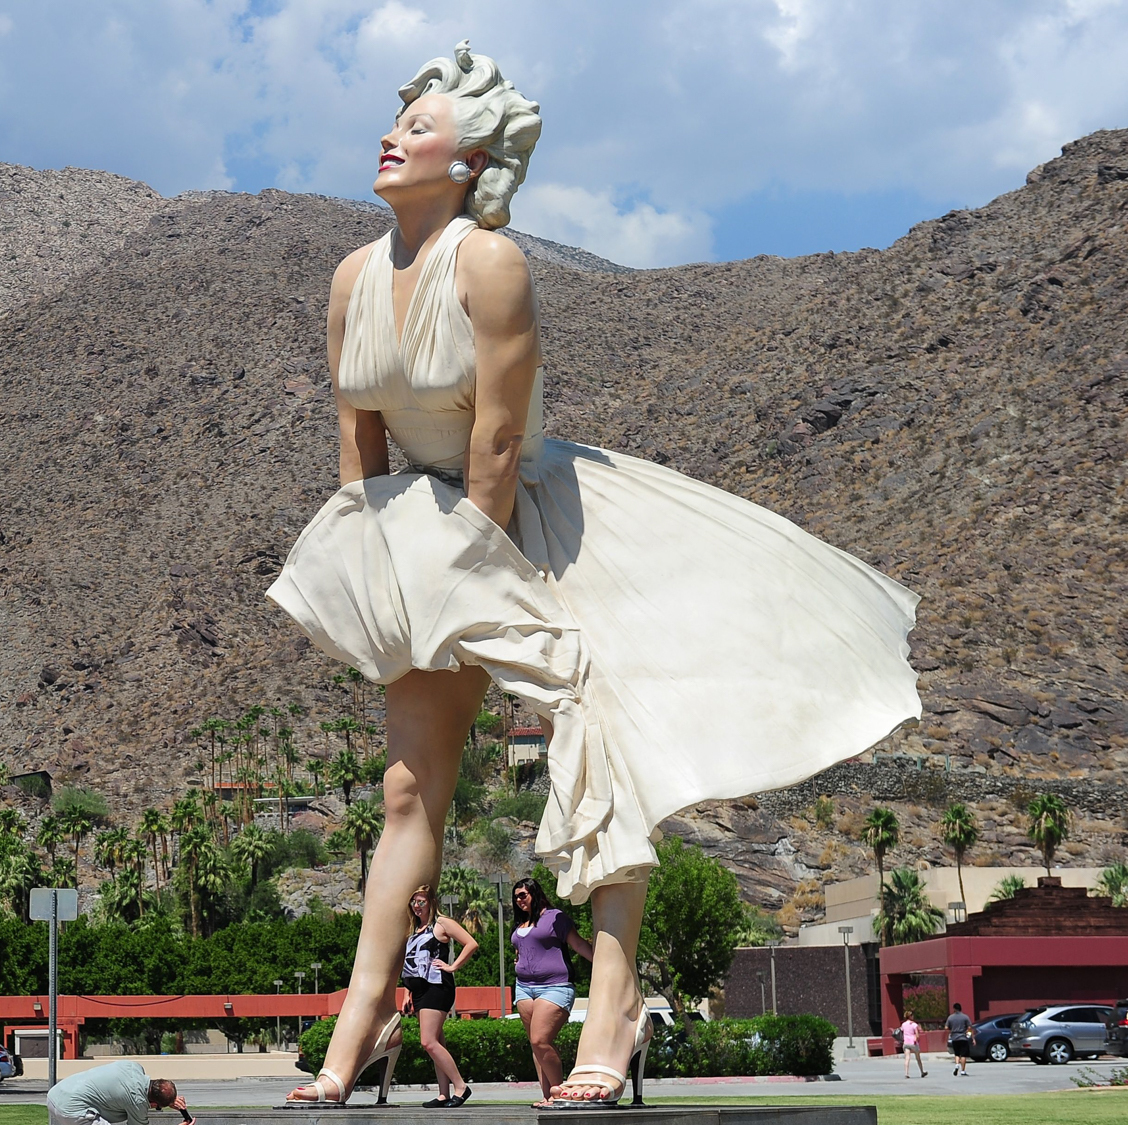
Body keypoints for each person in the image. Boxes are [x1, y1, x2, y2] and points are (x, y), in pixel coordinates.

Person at [268, 39, 920, 1108]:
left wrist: (471, 568)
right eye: (394, 126)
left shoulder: (489, 263)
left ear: (469, 161)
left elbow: (492, 434)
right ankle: (353, 1028)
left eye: (419, 128)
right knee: (402, 789)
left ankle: (609, 1011)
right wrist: (379, 575)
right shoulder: (349, 275)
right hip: (412, 528)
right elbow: (358, 452)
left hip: (522, 518)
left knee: (598, 750)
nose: (390, 138)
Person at [508, 878, 594, 1107]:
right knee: (536, 1045)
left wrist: (605, 963)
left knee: (540, 1039)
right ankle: (547, 1095)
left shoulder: (555, 917)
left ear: (535, 894)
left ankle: (559, 1093)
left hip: (556, 986)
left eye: (523, 895)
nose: (519, 900)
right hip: (524, 987)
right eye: (516, 897)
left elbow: (578, 944)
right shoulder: (521, 922)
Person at [402, 884, 477, 1107]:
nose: (417, 906)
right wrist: (407, 992)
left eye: (421, 901)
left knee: (428, 1041)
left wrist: (453, 966)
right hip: (418, 990)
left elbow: (471, 943)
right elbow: (412, 964)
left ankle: (461, 1086)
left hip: (437, 987)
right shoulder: (415, 929)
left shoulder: (442, 923)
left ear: (432, 902)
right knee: (437, 1041)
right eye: (414, 901)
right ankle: (443, 1093)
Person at [45, 1060, 183, 1125]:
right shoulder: (138, 1102)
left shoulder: (134, 1067)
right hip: (71, 1110)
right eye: (157, 1107)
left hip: (55, 1094)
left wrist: (167, 1101)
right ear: (153, 1103)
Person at [946, 1004, 973, 1076]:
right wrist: (970, 1036)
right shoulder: (965, 1017)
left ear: (954, 1009)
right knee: (963, 1055)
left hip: (954, 1038)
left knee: (957, 1054)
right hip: (963, 1037)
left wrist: (952, 1030)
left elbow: (946, 1027)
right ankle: (963, 1071)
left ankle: (957, 1064)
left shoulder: (950, 1017)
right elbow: (970, 1027)